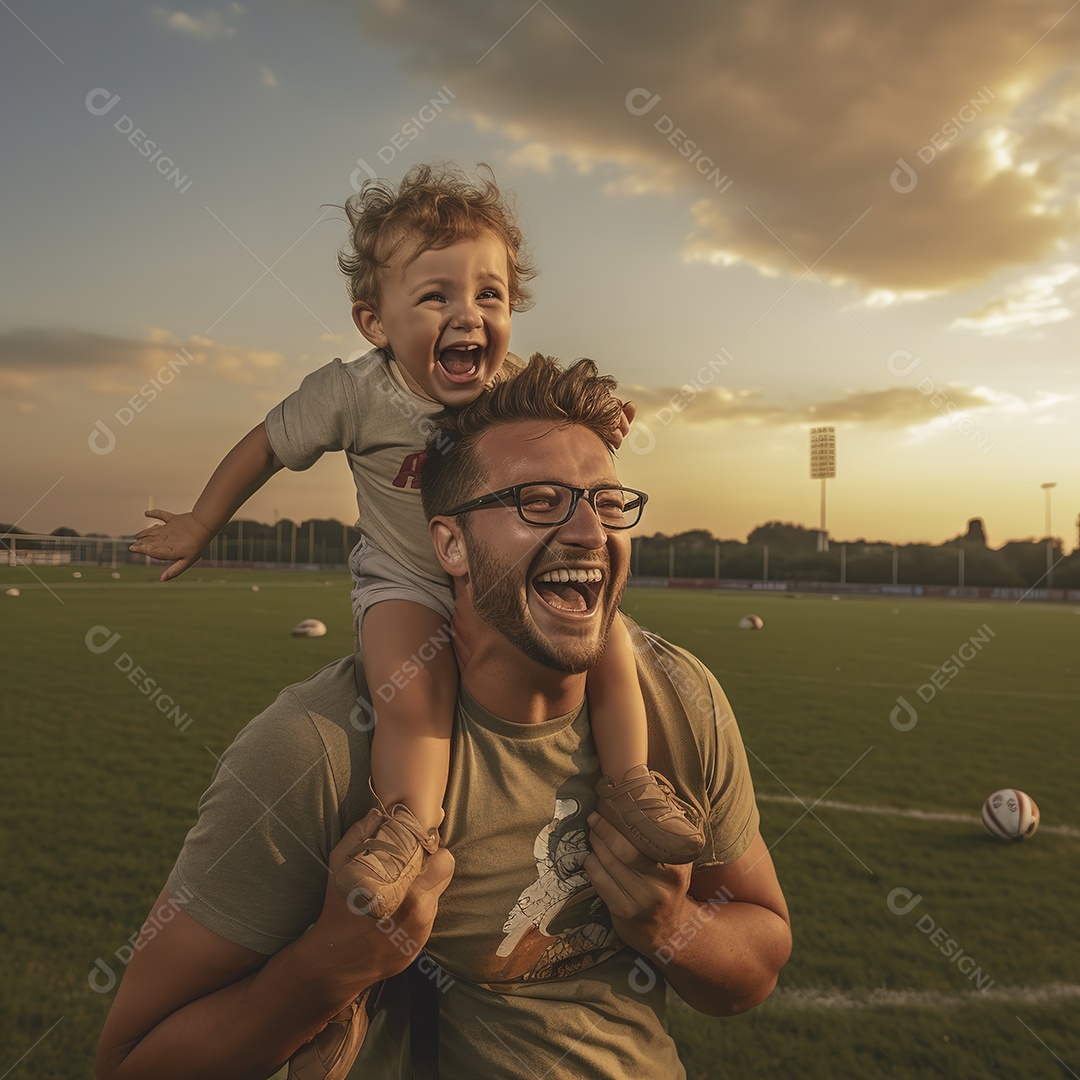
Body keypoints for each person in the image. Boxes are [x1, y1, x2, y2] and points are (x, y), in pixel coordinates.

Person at [97, 354, 791, 1079]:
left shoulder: (680, 700)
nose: (590, 531)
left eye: (609, 503)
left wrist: (671, 926)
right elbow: (132, 1065)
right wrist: (326, 969)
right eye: (540, 500)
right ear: (449, 544)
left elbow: (755, 971)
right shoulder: (316, 749)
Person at [127, 166, 704, 922]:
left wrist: (600, 426)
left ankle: (631, 784)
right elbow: (266, 445)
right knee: (411, 692)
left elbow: (568, 437)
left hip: (502, 581)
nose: (468, 315)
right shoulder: (351, 392)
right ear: (376, 323)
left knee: (609, 651)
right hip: (405, 574)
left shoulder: (513, 382)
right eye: (436, 296)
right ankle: (407, 826)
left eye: (488, 295)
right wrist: (204, 521)